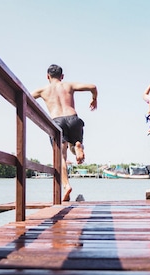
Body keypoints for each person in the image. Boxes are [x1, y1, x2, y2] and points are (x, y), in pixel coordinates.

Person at [31, 64, 97, 201]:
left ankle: (66, 186)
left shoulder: (43, 90)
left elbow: (26, 98)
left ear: (47, 76)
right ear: (62, 77)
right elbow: (92, 87)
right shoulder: (68, 85)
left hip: (56, 122)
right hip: (73, 119)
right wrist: (94, 99)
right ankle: (78, 145)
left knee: (61, 156)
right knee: (76, 144)